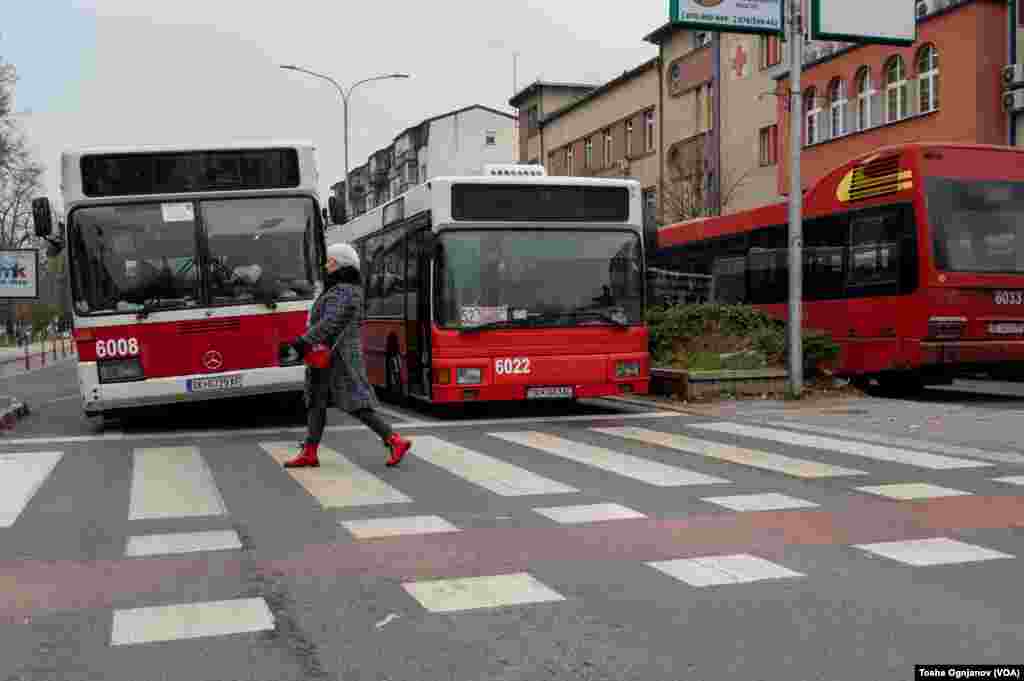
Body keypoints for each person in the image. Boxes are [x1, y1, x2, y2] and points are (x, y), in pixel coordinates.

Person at [279, 242, 411, 468]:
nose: (325, 266)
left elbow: (330, 322)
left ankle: (394, 440)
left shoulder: (344, 291)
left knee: (355, 404)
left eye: (330, 262)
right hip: (325, 355)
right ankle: (310, 451)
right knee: (316, 401)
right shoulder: (338, 289)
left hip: (339, 356)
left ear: (341, 264)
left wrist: (302, 343)